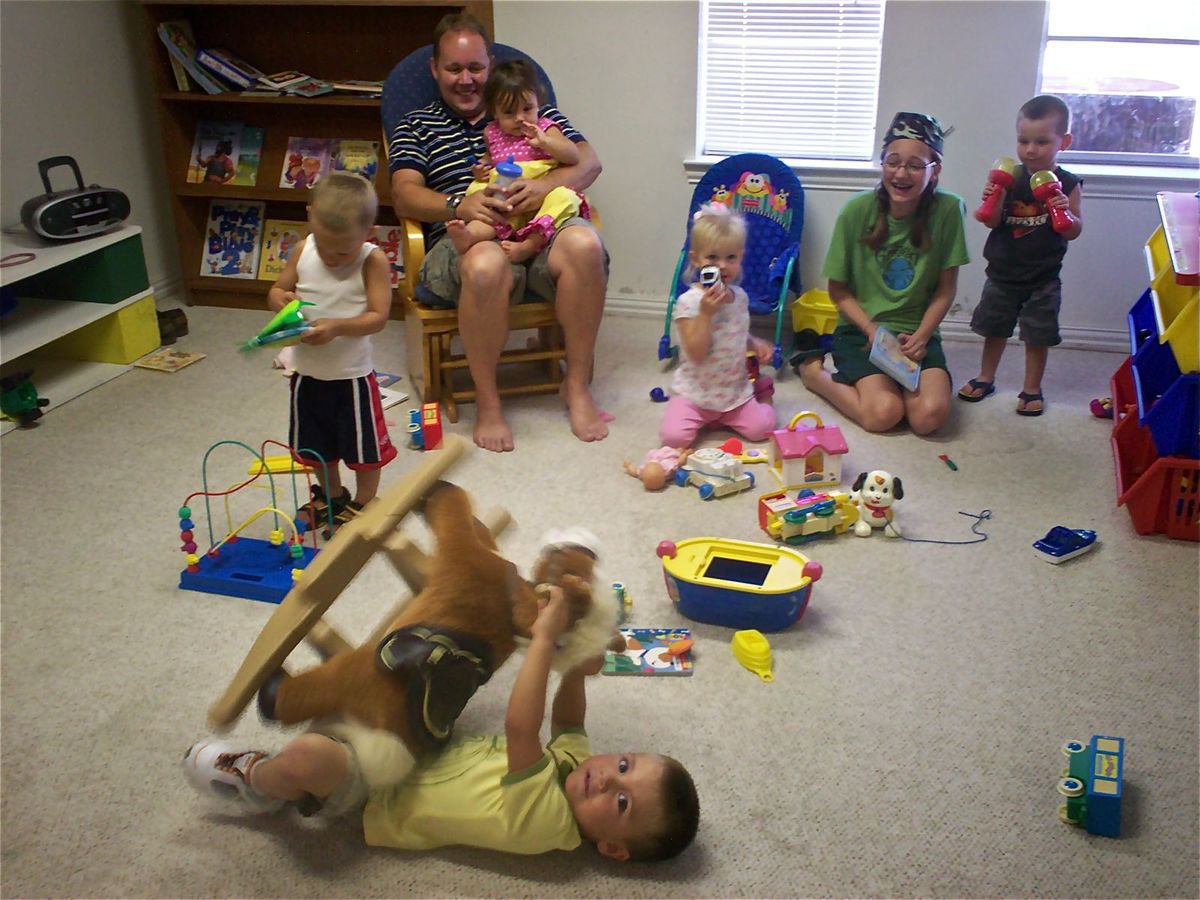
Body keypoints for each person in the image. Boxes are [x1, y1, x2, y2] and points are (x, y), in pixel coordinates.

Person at [182, 588, 700, 862]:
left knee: (305, 760)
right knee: (430, 659)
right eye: (626, 764)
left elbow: (523, 729)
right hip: (416, 742)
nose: (609, 777)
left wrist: (544, 641)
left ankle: (255, 780)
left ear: (612, 847)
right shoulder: (578, 769)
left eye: (622, 802)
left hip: (379, 796)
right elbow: (567, 721)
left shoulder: (550, 825)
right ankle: (337, 687)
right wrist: (579, 670)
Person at [388, 13, 610, 453]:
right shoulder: (416, 124)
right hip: (467, 239)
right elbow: (404, 195)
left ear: (490, 65)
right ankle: (489, 403)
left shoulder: (531, 112)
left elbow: (589, 163)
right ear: (435, 69)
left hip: (540, 230)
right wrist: (458, 203)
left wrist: (543, 187)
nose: (466, 80)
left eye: (475, 68)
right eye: (454, 68)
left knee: (586, 242)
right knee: (486, 262)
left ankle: (577, 386)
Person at [793, 112, 968, 435]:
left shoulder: (949, 210)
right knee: (883, 414)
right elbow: (838, 291)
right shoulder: (856, 211)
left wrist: (924, 335)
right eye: (893, 161)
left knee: (928, 418)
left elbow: (945, 290)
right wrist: (873, 331)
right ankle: (815, 375)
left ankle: (898, 378)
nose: (901, 173)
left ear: (935, 170)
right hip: (862, 331)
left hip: (917, 333)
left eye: (915, 165)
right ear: (883, 162)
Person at [267, 170, 396, 533]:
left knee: (364, 451)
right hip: (307, 374)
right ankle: (332, 494)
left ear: (367, 234)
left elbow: (378, 317)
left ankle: (365, 501)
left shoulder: (372, 260)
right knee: (315, 447)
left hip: (351, 378)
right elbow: (276, 291)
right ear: (311, 216)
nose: (332, 257)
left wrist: (337, 326)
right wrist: (281, 300)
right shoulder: (302, 249)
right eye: (324, 246)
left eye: (343, 250)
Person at [957, 95, 1083, 417]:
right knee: (994, 329)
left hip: (1043, 276)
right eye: (1023, 140)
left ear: (1064, 142)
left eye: (1041, 141)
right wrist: (992, 198)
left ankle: (1031, 388)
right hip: (1002, 272)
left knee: (1037, 335)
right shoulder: (1009, 177)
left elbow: (1072, 231)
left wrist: (1064, 211)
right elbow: (991, 221)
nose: (1030, 149)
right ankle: (986, 377)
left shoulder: (1067, 184)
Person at [447, 58, 591, 264]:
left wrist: (546, 142)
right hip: (507, 200)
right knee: (481, 195)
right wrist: (480, 170)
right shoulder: (492, 132)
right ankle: (469, 236)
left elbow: (573, 155)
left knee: (565, 196)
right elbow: (489, 159)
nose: (519, 118)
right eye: (508, 112)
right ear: (493, 111)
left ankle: (529, 245)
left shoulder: (545, 127)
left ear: (538, 103)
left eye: (527, 108)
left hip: (541, 200)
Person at [659, 203, 776, 448]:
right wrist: (705, 314)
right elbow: (696, 352)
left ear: (741, 257)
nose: (722, 265)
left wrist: (754, 343)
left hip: (734, 392)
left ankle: (762, 392)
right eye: (712, 257)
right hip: (695, 394)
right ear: (696, 258)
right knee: (674, 438)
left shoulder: (740, 297)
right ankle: (703, 414)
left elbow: (736, 332)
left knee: (763, 429)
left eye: (730, 257)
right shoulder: (689, 302)